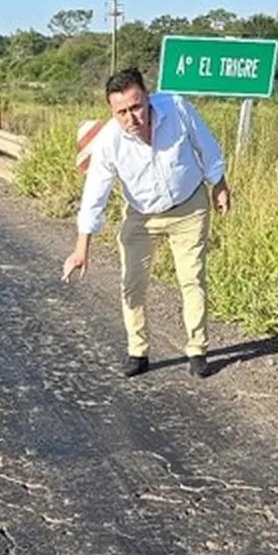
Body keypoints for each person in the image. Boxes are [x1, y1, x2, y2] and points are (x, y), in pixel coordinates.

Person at [62, 67, 231, 379]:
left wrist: (219, 183)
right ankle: (137, 351)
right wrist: (81, 248)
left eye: (136, 107)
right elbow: (95, 194)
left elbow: (206, 145)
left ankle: (197, 350)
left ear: (148, 98)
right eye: (122, 112)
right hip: (141, 216)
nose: (132, 118)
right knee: (133, 283)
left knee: (192, 279)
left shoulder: (176, 108)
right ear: (112, 111)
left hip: (189, 207)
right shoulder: (109, 141)